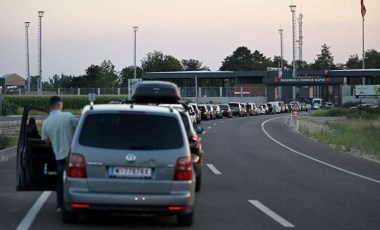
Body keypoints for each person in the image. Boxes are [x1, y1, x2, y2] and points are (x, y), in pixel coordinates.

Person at [41, 96, 77, 213]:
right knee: (75, 180)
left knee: (60, 181)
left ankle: (60, 205)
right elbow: (77, 131)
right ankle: (76, 201)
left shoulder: (46, 123)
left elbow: (46, 141)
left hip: (59, 156)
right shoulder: (69, 116)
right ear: (59, 105)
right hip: (74, 156)